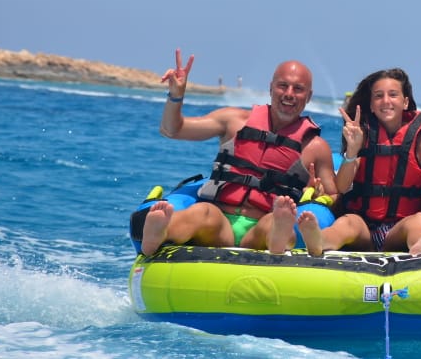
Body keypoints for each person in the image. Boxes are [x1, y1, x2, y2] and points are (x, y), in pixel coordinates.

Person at [139, 49, 338, 256]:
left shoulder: (316, 147)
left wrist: (318, 193)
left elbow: (333, 195)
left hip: (263, 224)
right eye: (283, 86)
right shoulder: (234, 120)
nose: (289, 93)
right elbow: (172, 130)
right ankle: (159, 233)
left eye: (298, 89)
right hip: (220, 222)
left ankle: (278, 239)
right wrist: (176, 96)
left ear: (309, 96)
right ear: (271, 88)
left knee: (274, 222)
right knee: (202, 213)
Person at [296, 68, 421, 256]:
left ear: (405, 102)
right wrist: (352, 150)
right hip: (364, 227)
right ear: (371, 105)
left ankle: (420, 246)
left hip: (398, 230)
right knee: (348, 222)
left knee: (418, 220)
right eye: (378, 96)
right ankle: (319, 241)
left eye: (393, 95)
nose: (386, 101)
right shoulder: (362, 138)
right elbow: (341, 186)